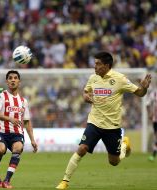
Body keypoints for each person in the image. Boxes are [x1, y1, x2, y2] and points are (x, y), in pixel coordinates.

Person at [56, 51, 152, 189]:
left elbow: (140, 93)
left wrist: (144, 87)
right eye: (94, 64)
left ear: (107, 65)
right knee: (82, 148)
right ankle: (64, 181)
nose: (95, 67)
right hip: (94, 122)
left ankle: (124, 146)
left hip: (112, 127)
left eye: (98, 64)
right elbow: (85, 92)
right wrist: (86, 97)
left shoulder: (120, 79)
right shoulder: (93, 78)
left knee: (114, 161)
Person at [0, 70, 38, 188]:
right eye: (10, 78)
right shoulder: (0, 96)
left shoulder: (23, 101)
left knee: (18, 148)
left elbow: (27, 121)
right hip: (1, 131)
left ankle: (7, 180)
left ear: (19, 82)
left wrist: (32, 140)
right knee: (0, 150)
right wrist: (9, 119)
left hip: (17, 133)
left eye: (15, 78)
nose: (13, 80)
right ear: (7, 81)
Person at [147, 87, 157, 161]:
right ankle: (153, 155)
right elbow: (147, 104)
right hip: (155, 119)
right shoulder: (154, 93)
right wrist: (149, 113)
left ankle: (153, 155)